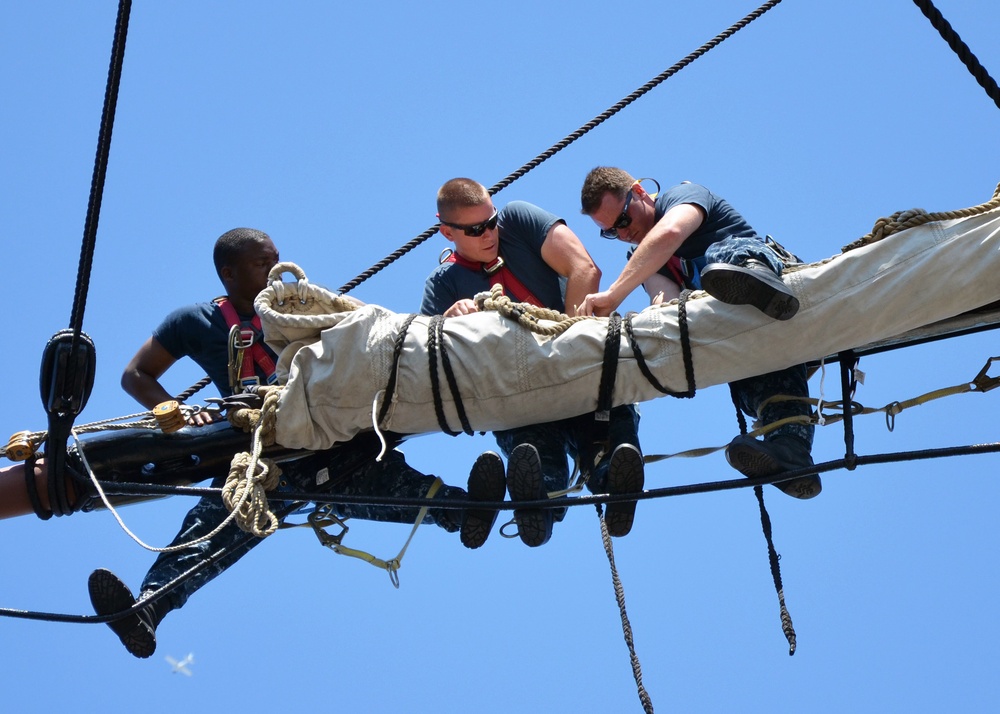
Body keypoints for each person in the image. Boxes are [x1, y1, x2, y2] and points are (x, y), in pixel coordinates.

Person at [90, 227, 505, 659]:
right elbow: (136, 374)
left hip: (328, 436)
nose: (273, 270)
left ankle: (470, 512)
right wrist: (175, 410)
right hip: (261, 455)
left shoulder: (301, 308)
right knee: (211, 529)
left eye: (275, 259)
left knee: (394, 485)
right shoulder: (193, 322)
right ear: (228, 273)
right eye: (260, 263)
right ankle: (148, 610)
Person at [421, 178, 644, 547]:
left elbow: (585, 269)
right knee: (534, 454)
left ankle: (615, 482)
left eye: (491, 222)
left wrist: (567, 348)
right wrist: (450, 325)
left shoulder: (519, 220)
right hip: (519, 394)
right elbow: (433, 367)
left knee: (607, 430)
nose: (489, 234)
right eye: (475, 230)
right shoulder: (443, 286)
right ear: (447, 232)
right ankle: (538, 501)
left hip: (576, 369)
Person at [577, 168, 820, 498]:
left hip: (767, 283)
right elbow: (665, 303)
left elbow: (671, 233)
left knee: (719, 262)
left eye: (623, 219)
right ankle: (791, 456)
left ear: (640, 192)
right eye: (610, 232)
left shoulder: (684, 196)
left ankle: (757, 280)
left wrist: (612, 295)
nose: (623, 233)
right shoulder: (642, 261)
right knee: (764, 389)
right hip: (748, 336)